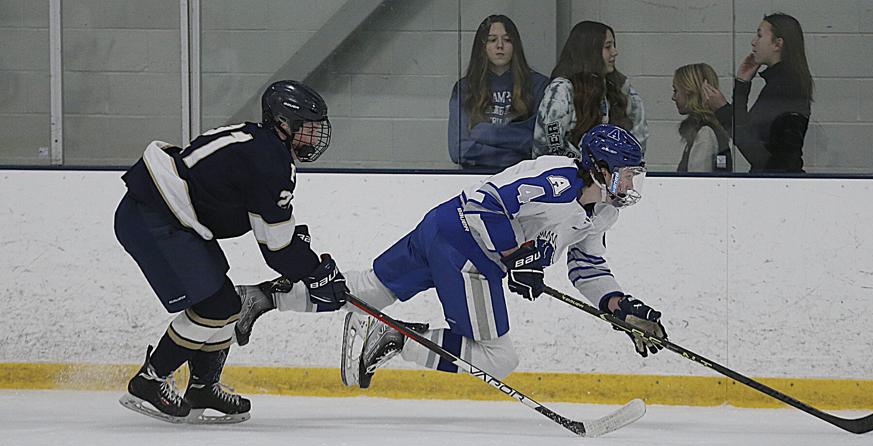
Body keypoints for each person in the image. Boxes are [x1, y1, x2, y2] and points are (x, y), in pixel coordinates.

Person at [235, 124, 668, 390]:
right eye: (628, 174)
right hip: (467, 250)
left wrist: (618, 306)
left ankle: (261, 298)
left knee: (371, 289)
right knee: (500, 358)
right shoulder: (558, 183)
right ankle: (396, 338)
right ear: (600, 169)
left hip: (442, 226)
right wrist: (517, 256)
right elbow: (485, 204)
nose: (633, 185)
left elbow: (587, 267)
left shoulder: (604, 212)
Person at [114, 80, 350, 424]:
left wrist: (304, 259)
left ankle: (202, 387)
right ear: (284, 124)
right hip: (153, 217)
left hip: (168, 215)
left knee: (227, 304)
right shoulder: (270, 161)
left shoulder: (261, 143)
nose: (314, 139)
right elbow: (278, 250)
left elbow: (269, 227)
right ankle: (150, 380)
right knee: (213, 305)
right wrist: (316, 272)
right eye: (308, 129)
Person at [702, 13, 813, 173]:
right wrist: (742, 84)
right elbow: (748, 134)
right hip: (778, 182)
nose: (753, 41)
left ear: (777, 44)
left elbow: (755, 150)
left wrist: (722, 109)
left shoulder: (785, 88)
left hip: (779, 185)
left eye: (760, 35)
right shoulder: (784, 84)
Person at [533, 21, 649, 160]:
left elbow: (638, 138)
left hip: (613, 176)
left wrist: (623, 164)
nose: (615, 52)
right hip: (569, 176)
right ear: (589, 51)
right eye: (608, 47)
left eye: (613, 45)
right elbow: (549, 147)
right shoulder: (561, 90)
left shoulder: (620, 88)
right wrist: (588, 165)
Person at [448, 15, 549, 169]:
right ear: (482, 46)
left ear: (516, 45)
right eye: (492, 40)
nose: (500, 46)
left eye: (507, 40)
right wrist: (513, 156)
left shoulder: (537, 84)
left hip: (522, 177)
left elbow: (537, 142)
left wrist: (484, 132)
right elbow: (459, 149)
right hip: (474, 179)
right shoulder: (465, 88)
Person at [672, 63, 732, 172]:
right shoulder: (705, 130)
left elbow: (697, 183)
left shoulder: (705, 133)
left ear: (690, 92)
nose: (673, 97)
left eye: (676, 91)